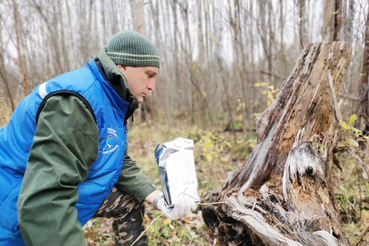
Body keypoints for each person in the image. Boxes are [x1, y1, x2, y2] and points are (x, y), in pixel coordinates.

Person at [0, 30, 197, 246]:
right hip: (13, 205)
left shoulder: (112, 99)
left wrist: (157, 197)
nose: (152, 86)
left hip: (45, 191)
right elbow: (45, 202)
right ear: (122, 66)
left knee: (129, 201)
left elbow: (116, 158)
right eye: (149, 75)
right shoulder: (75, 104)